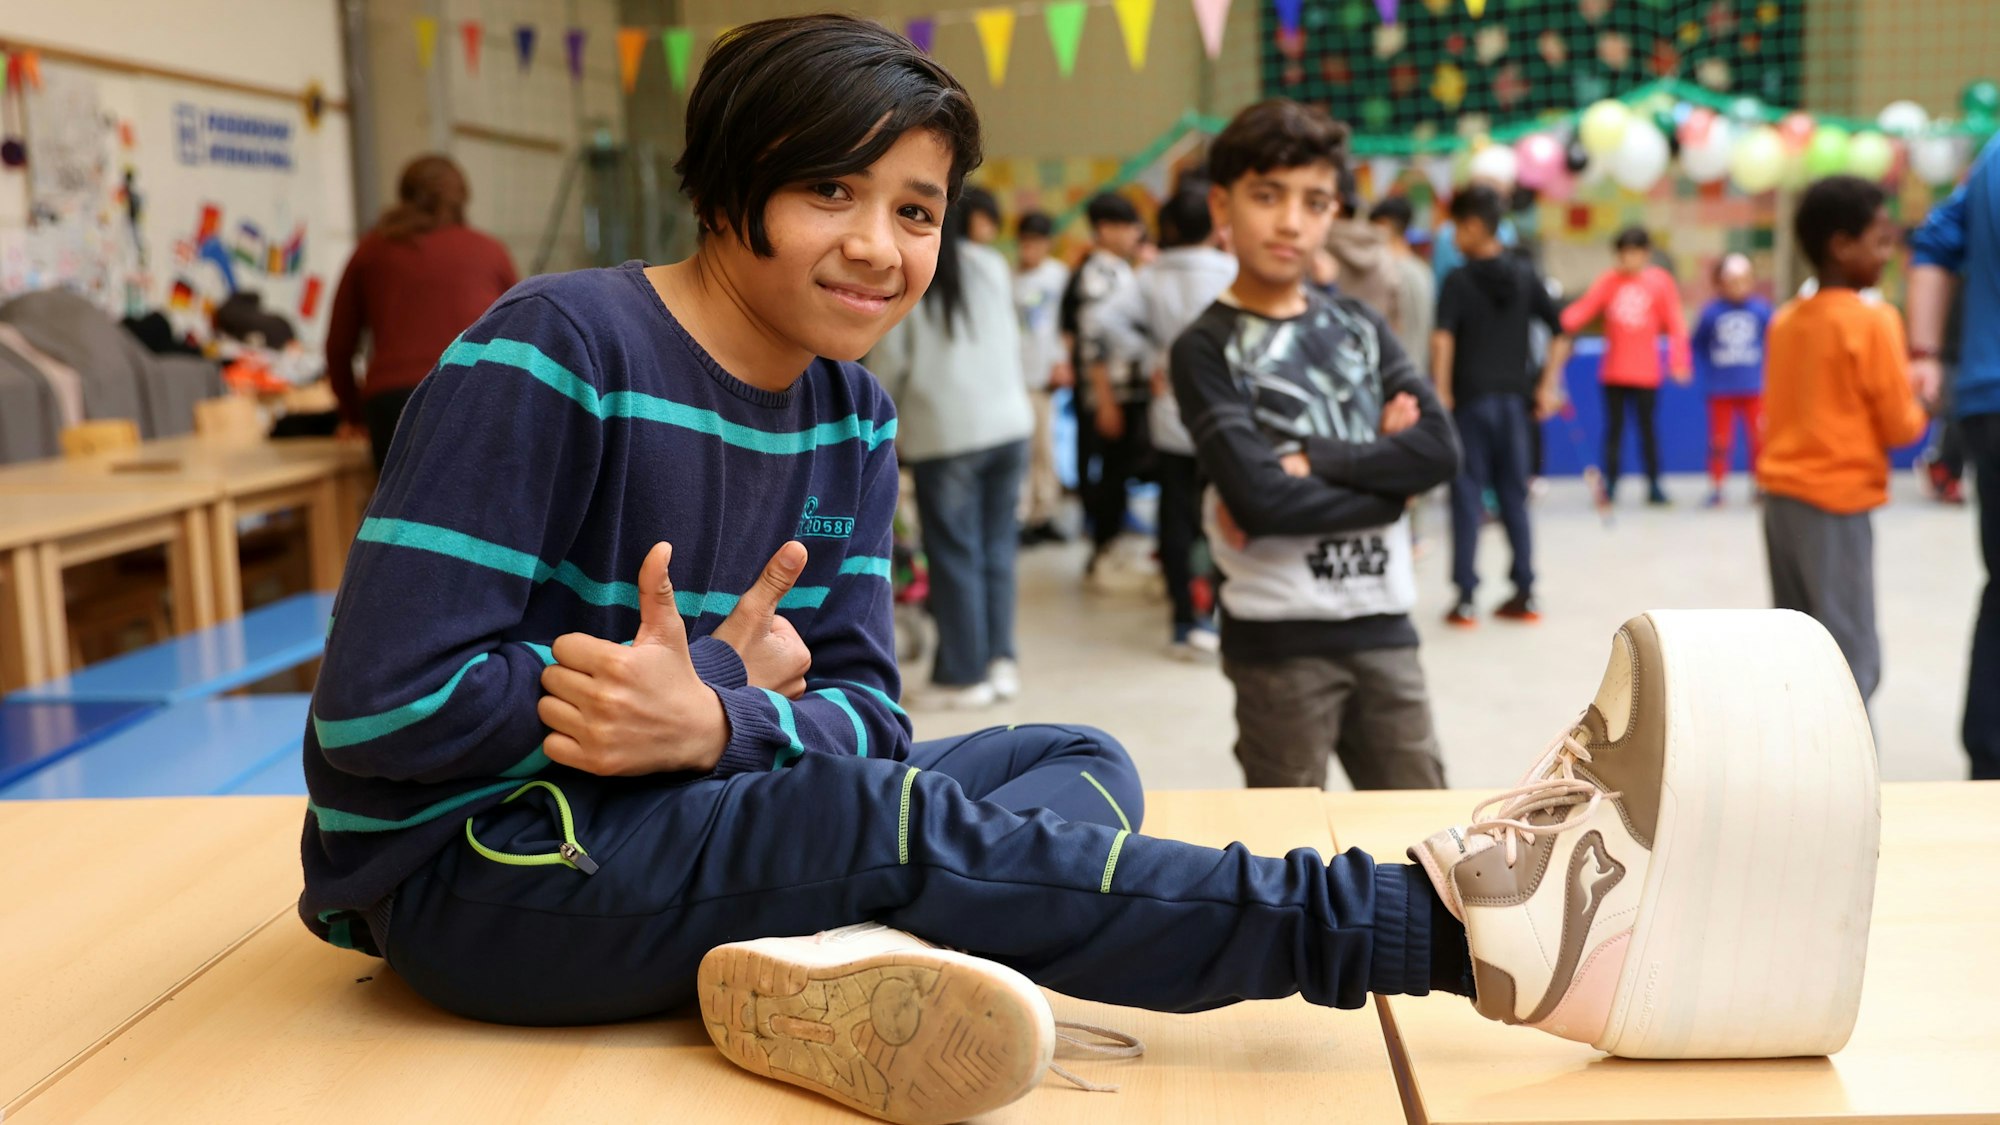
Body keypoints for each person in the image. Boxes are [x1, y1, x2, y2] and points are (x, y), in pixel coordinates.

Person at [300, 22, 1881, 1125]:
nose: (876, 247)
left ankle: (830, 973)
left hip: (680, 811)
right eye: (828, 193)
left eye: (914, 210)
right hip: (478, 878)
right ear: (727, 193)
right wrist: (717, 698)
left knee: (1074, 755)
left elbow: (861, 703)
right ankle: (1457, 934)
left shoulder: (850, 404)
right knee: (891, 821)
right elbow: (377, 723)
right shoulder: (556, 352)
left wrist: (720, 722)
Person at [1170, 99, 1459, 791]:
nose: (1291, 221)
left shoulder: (1359, 323)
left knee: (1421, 831)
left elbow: (1440, 450)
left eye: (1315, 200)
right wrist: (1391, 487)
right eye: (1267, 196)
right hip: (1279, 640)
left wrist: (1319, 461)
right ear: (1222, 206)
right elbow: (1263, 499)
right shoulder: (1204, 348)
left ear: (1333, 214)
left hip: (1385, 622)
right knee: (1290, 856)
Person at [1757, 175, 1931, 706]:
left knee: (1797, 653)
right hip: (1836, 504)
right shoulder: (1875, 322)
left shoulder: (1785, 322)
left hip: (1780, 505)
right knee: (1852, 663)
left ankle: (1802, 775)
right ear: (1840, 245)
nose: (1888, 254)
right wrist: (1920, 395)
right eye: (1880, 241)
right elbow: (1901, 427)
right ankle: (1851, 781)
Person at [870, 202, 1033, 710]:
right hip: (1010, 423)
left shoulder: (913, 266)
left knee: (955, 554)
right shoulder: (991, 264)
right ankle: (999, 660)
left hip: (948, 434)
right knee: (995, 548)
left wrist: (875, 411)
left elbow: (890, 363)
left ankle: (963, 675)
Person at [1090, 186, 1236, 658]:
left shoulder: (1151, 276)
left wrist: (1153, 355)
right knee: (1226, 511)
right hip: (1227, 411)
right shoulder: (1231, 270)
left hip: (1172, 409)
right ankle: (1220, 613)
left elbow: (1104, 322)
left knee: (1176, 517)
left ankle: (1182, 619)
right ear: (1215, 224)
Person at [1431, 184, 1570, 628]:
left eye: (1455, 226)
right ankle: (1525, 592)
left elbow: (1443, 338)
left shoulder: (1457, 279)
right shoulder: (1525, 274)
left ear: (1473, 226)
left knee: (1467, 497)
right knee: (1514, 496)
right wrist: (1547, 386)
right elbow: (1561, 333)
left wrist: (1441, 391)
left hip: (1470, 403)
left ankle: (1466, 598)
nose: (1452, 237)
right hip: (1515, 404)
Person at [325, 155, 518, 471]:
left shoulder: (371, 250)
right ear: (462, 199)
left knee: (400, 516)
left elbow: (338, 346)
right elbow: (524, 335)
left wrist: (355, 415)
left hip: (393, 405)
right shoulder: (489, 251)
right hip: (475, 394)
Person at [1907, 136, 1998, 777]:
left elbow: (1933, 244)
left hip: (1987, 399)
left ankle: (1989, 761)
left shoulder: (1993, 154)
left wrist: (1923, 350)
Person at [1560, 226, 1691, 506]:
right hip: (1614, 371)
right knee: (1614, 431)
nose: (1628, 259)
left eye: (1635, 252)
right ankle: (1612, 483)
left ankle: (1654, 484)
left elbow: (1676, 324)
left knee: (1648, 430)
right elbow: (1582, 310)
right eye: (1623, 253)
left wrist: (1680, 361)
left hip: (1647, 372)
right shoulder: (1608, 281)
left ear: (1646, 254)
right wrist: (1553, 321)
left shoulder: (1660, 282)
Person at [1060, 193, 1147, 578]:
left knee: (1119, 467)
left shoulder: (1121, 270)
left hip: (1123, 389)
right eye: (1130, 227)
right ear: (1106, 229)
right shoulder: (1097, 275)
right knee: (1109, 469)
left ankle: (1112, 538)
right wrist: (1105, 400)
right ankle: (1103, 547)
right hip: (1106, 392)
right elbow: (1091, 343)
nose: (1136, 234)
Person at [1690, 253, 1773, 507]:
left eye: (1743, 281)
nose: (1738, 287)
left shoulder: (1761, 310)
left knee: (1759, 440)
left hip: (1754, 387)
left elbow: (1775, 341)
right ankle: (1717, 486)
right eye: (1732, 281)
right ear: (1721, 283)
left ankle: (1761, 485)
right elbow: (1698, 344)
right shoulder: (1710, 313)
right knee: (1720, 441)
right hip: (1721, 389)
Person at [1012, 210, 1072, 545]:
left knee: (1045, 449)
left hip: (1044, 375)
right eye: (1025, 242)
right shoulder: (1008, 278)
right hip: (1013, 376)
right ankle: (1020, 516)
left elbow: (1065, 326)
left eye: (1036, 241)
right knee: (1020, 450)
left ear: (1048, 243)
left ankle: (1044, 514)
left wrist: (1062, 362)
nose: (1029, 248)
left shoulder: (1058, 277)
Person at [1370, 195, 1435, 373]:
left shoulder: (1384, 271)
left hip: (1393, 376)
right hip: (1418, 373)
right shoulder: (1424, 271)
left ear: (1384, 225)